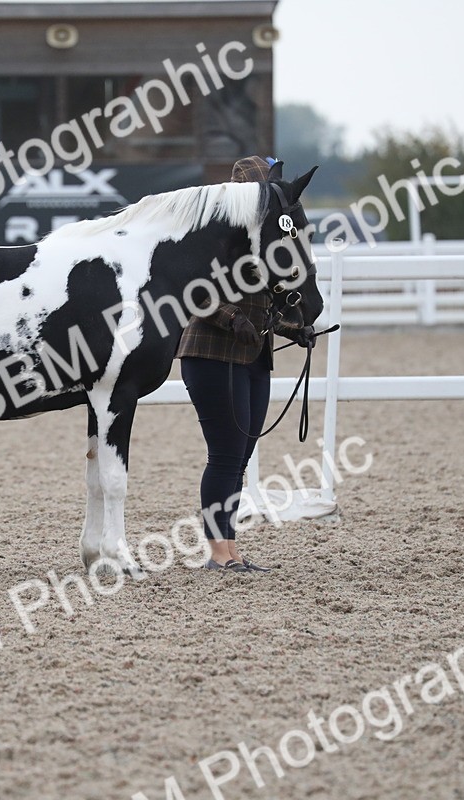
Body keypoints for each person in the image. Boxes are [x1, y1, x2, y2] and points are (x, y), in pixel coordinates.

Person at [177, 155, 286, 573]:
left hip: (254, 357)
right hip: (211, 352)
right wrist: (231, 317)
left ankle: (231, 548)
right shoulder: (213, 236)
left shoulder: (266, 240)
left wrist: (296, 328)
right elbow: (193, 291)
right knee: (224, 456)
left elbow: (268, 302)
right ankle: (217, 552)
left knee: (240, 457)